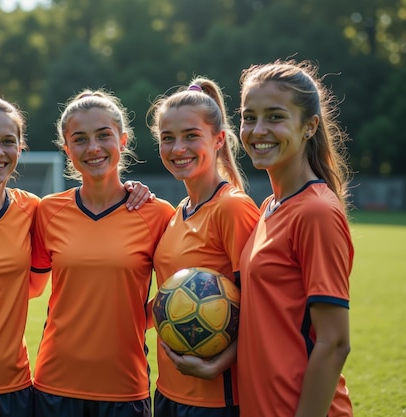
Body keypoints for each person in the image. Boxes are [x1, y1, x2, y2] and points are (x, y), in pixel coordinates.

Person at [0, 95, 154, 417]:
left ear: (20, 146)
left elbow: (33, 287)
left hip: (17, 387)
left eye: (7, 142)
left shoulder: (31, 209)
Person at [30, 89, 175, 417]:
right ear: (67, 150)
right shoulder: (48, 211)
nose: (92, 148)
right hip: (54, 387)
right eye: (79, 139)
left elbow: (174, 295)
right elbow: (24, 285)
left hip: (125, 388)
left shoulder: (158, 214)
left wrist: (135, 320)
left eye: (103, 136)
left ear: (123, 140)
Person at [237, 59, 354, 417]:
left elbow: (334, 343)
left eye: (275, 116)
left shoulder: (315, 212)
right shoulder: (270, 206)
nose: (258, 129)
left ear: (309, 126)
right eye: (248, 116)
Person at [146, 77, 260, 417]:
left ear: (218, 139)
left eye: (191, 136)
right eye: (168, 138)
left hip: (216, 399)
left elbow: (261, 309)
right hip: (167, 390)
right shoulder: (177, 211)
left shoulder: (233, 208)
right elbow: (169, 300)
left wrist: (218, 365)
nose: (178, 148)